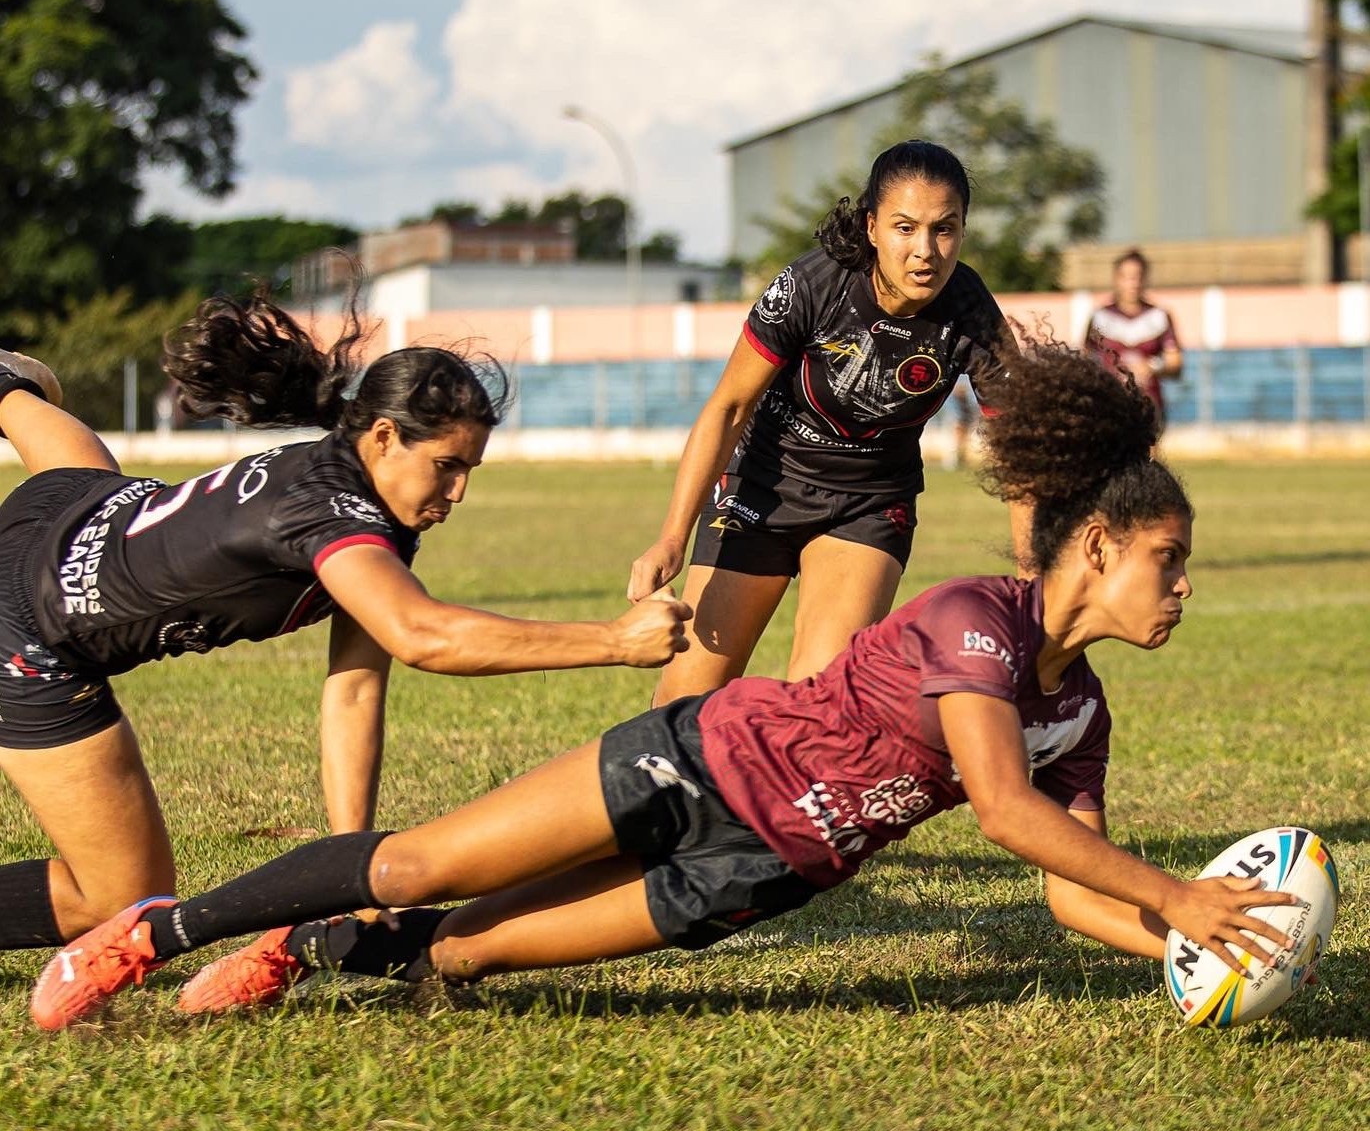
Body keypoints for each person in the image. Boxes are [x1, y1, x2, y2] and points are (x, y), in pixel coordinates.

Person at [31, 340, 1299, 1032]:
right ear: (1093, 548)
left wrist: (1188, 933)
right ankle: (148, 937)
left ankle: (305, 948)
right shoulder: (976, 622)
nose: (1179, 589)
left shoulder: (1079, 709)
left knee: (465, 954)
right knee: (420, 865)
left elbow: (1065, 875)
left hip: (760, 872)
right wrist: (1179, 889)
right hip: (694, 761)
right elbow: (1004, 810)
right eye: (1165, 562)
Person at [0, 289, 689, 958]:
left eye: (470, 469)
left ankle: (8, 391)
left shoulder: (363, 492)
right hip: (29, 633)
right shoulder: (329, 513)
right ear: (385, 436)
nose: (459, 492)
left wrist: (350, 869)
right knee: (123, 898)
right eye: (446, 466)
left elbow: (355, 688)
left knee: (91, 476)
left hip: (71, 513)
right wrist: (615, 640)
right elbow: (423, 635)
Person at [628, 139, 1023, 706]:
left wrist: (1032, 581)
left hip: (867, 505)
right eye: (905, 228)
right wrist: (672, 536)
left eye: (945, 229)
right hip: (763, 487)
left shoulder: (971, 311)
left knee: (817, 704)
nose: (926, 251)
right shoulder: (812, 285)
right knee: (682, 706)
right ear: (871, 226)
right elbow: (729, 408)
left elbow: (1021, 447)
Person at [1085, 248, 1183, 432]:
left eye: (1137, 276)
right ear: (1116, 279)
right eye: (1127, 277)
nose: (1133, 283)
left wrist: (1152, 367)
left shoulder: (1159, 316)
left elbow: (1175, 364)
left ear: (1145, 278)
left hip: (1149, 405)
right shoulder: (1100, 317)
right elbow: (1085, 360)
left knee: (1147, 459)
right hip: (1109, 405)